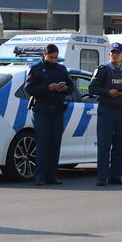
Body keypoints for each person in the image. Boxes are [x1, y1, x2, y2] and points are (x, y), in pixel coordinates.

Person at [23, 43, 74, 186]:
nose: (54, 60)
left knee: (55, 144)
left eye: (56, 58)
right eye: (51, 57)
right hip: (42, 109)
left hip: (57, 109)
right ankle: (40, 176)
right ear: (44, 55)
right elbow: (29, 88)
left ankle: (52, 175)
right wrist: (48, 87)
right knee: (43, 144)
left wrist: (64, 88)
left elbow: (71, 88)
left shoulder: (61, 69)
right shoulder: (35, 69)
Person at [89, 44, 122, 187]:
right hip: (106, 110)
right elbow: (92, 88)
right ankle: (102, 177)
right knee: (104, 145)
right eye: (112, 53)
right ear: (109, 54)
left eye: (117, 53)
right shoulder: (103, 70)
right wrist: (107, 92)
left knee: (119, 145)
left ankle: (116, 176)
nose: (114, 55)